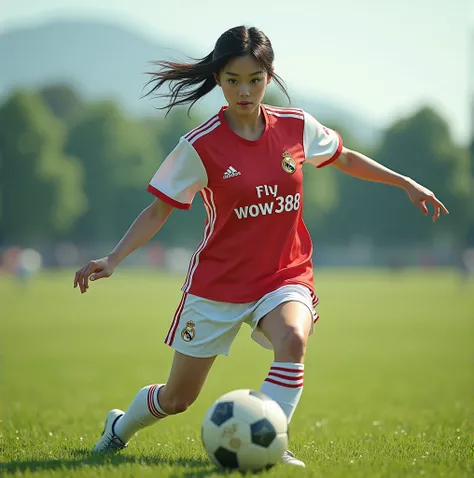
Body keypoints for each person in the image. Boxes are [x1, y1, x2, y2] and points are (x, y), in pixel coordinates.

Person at [73, 25, 449, 467]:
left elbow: (342, 156)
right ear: (218, 79)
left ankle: (271, 440)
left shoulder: (295, 125)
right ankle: (119, 428)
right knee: (177, 398)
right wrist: (114, 258)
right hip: (218, 285)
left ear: (269, 76)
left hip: (283, 275)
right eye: (233, 80)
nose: (244, 90)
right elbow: (158, 210)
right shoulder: (199, 146)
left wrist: (404, 182)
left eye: (254, 79)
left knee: (293, 338)